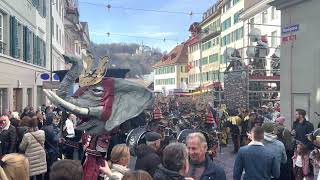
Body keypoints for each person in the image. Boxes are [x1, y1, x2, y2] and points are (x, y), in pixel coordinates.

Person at [19, 116, 47, 180]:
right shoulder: (42, 133)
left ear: (30, 126)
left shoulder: (27, 135)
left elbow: (22, 147)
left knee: (30, 174)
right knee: (39, 174)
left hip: (31, 158)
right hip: (40, 156)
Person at [42, 113, 61, 180]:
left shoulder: (43, 127)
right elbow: (55, 139)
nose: (55, 120)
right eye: (54, 118)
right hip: (52, 150)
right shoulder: (50, 128)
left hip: (47, 150)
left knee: (48, 169)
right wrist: (59, 132)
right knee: (52, 168)